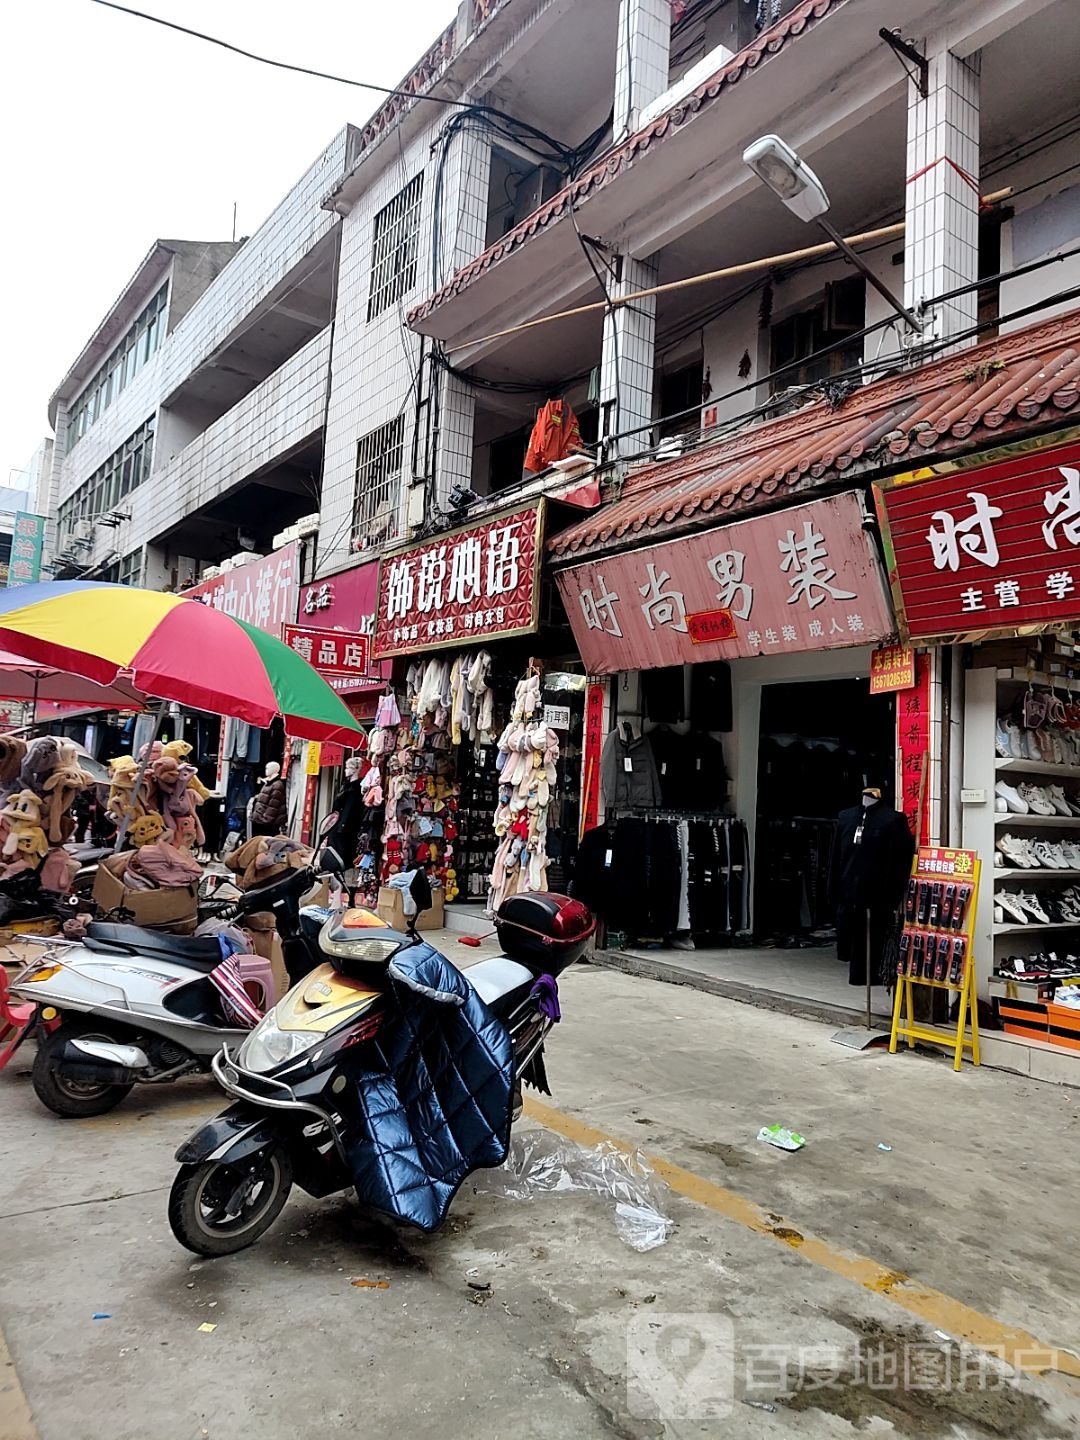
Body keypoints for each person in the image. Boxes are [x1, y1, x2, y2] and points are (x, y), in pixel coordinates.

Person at [250, 761, 287, 837]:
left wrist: (265, 820)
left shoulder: (277, 785)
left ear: (274, 770)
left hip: (268, 824)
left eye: (268, 768)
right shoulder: (268, 783)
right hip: (261, 821)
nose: (266, 770)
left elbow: (273, 806)